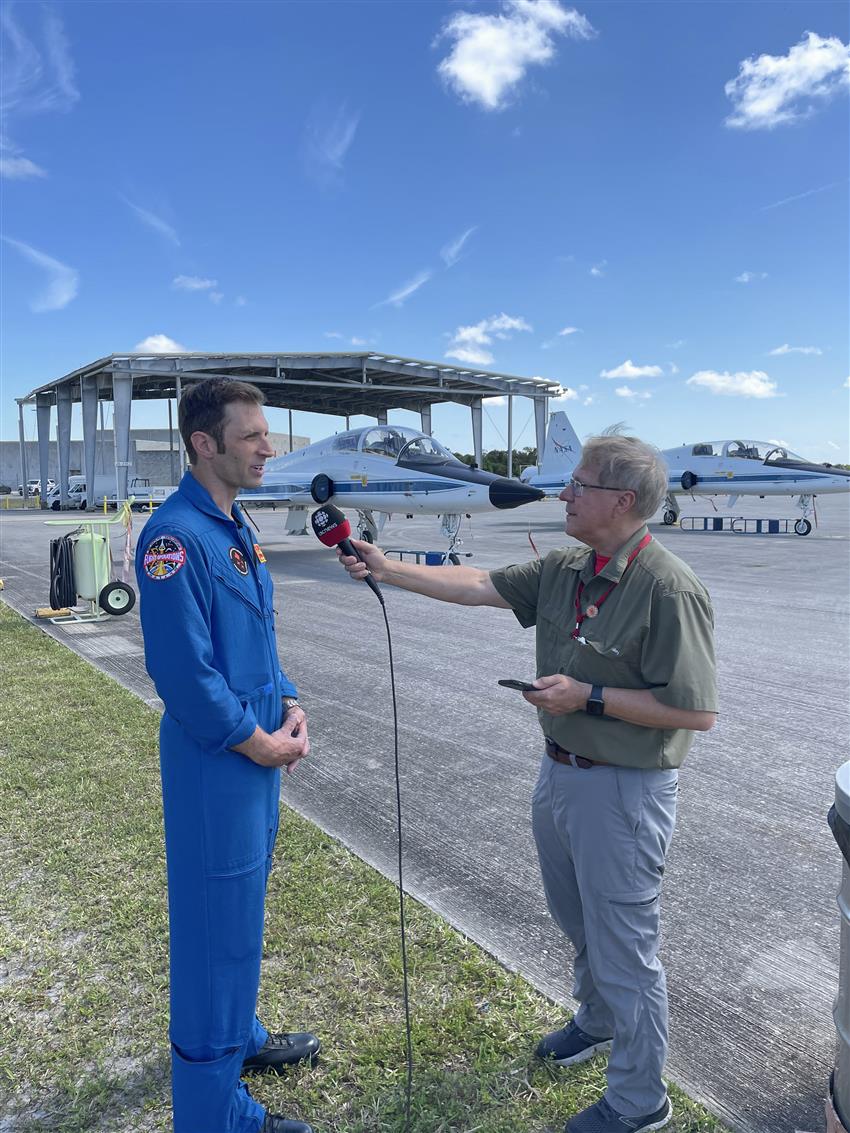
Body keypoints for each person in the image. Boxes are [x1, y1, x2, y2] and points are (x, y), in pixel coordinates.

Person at [337, 433, 717, 1133]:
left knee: (626, 947)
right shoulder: (571, 566)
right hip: (561, 773)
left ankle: (641, 1100)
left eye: (578, 484)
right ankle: (597, 1019)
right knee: (577, 920)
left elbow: (696, 710)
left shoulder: (669, 589)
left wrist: (588, 697)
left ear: (621, 501)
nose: (563, 494)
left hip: (626, 791)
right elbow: (481, 584)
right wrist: (387, 568)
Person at [135, 379, 318, 1133]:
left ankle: (236, 1034)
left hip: (256, 758)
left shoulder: (233, 527)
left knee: (241, 906)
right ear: (203, 444)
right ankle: (213, 1112)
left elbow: (255, 644)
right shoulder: (174, 538)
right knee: (214, 922)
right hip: (221, 763)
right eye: (251, 436)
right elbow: (186, 677)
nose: (267, 447)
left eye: (265, 434)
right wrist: (259, 739)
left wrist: (291, 698)